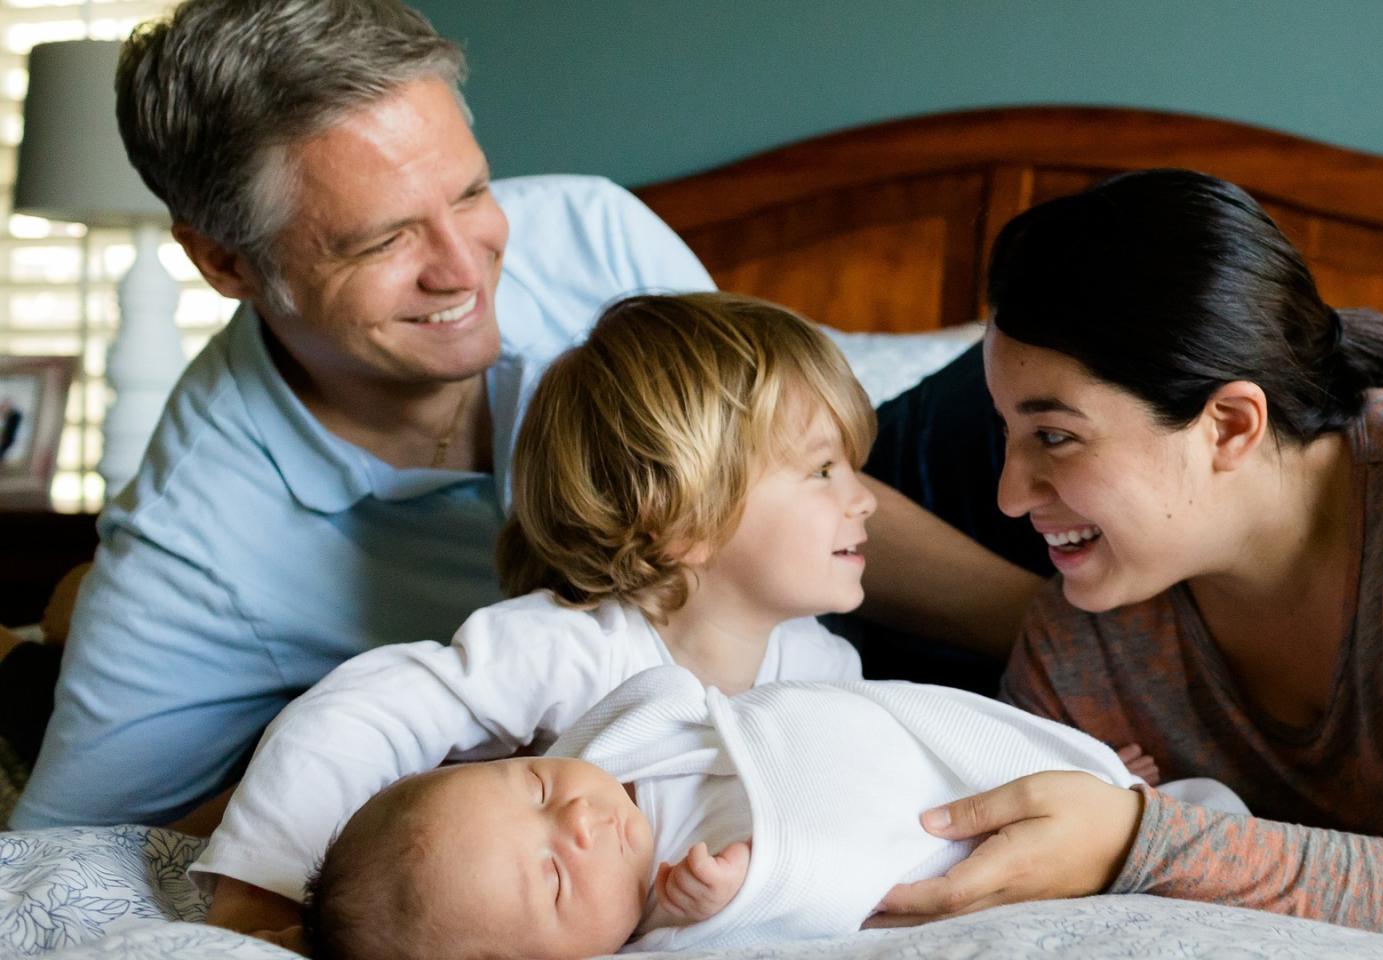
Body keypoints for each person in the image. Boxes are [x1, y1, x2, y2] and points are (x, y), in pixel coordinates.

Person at [5, 0, 1037, 837]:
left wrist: (1059, 634)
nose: (466, 269)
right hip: (704, 692)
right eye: (383, 241)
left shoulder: (589, 232)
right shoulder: (195, 544)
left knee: (1048, 357)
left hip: (827, 570)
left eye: (470, 193)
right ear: (226, 261)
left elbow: (780, 481)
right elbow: (67, 855)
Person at [190, 291, 1200, 948]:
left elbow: (895, 781)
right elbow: (366, 711)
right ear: (683, 518)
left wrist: (1054, 768)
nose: (863, 501)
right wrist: (259, 897)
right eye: (822, 472)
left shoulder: (817, 667)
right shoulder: (566, 643)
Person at [869, 170, 1383, 959]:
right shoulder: (1081, 647)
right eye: (1007, 434)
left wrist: (1137, 840)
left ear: (1231, 425)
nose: (1010, 495)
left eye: (1055, 436)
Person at [293, 665, 1237, 960]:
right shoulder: (669, 915)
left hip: (915, 752)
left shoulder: (622, 748)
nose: (578, 821)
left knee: (1161, 809)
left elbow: (678, 696)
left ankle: (1122, 798)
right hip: (939, 842)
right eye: (550, 877)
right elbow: (816, 909)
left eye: (536, 788)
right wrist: (738, 892)